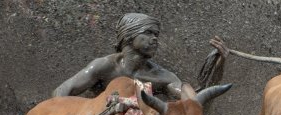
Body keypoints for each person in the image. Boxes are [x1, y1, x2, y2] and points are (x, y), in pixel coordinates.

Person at [52, 13, 226, 99]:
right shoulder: (104, 66)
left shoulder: (162, 77)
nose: (155, 39)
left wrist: (219, 66)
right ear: (129, 35)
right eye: (149, 33)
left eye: (156, 34)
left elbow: (194, 103)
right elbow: (60, 92)